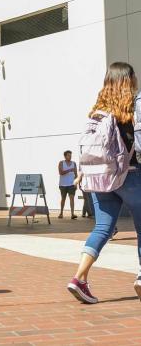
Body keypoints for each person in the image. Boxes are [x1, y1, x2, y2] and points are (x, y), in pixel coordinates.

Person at [68, 62, 141, 304]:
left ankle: (79, 278)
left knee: (102, 228)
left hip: (100, 179)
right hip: (130, 176)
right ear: (129, 80)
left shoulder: (98, 111)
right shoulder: (132, 108)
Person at [58, 150, 78, 219]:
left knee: (72, 198)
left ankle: (72, 214)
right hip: (63, 184)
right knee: (63, 198)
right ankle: (61, 213)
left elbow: (76, 174)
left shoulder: (74, 163)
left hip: (71, 184)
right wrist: (69, 170)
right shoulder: (61, 163)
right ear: (65, 156)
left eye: (71, 155)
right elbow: (61, 172)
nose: (70, 156)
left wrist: (76, 183)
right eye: (68, 155)